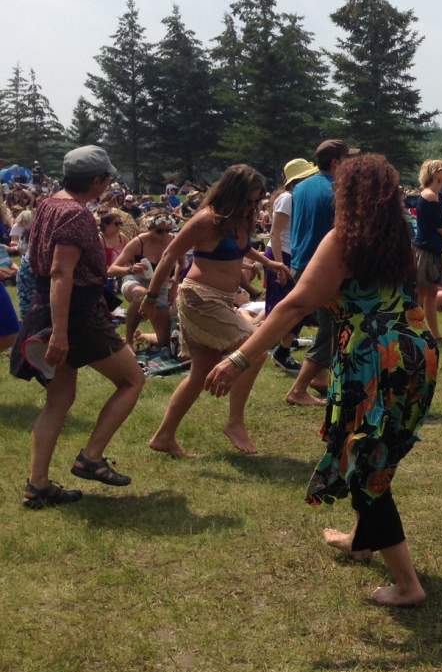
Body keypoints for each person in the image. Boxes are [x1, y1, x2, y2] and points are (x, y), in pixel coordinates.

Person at [205, 154, 436, 607]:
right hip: (414, 352)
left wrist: (239, 357)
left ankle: (407, 584)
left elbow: (294, 306)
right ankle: (362, 539)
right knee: (367, 452)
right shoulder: (396, 238)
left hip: (373, 358)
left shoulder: (344, 240)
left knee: (366, 463)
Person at [13, 146, 146, 509]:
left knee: (58, 399)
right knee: (133, 380)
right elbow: (61, 272)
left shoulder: (48, 204)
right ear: (99, 180)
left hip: (49, 310)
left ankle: (37, 485)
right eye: (107, 179)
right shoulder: (75, 215)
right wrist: (59, 332)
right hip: (76, 315)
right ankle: (91, 458)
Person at [142, 165, 289, 457]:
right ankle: (235, 423)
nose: (252, 206)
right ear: (232, 194)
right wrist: (151, 295)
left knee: (199, 374)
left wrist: (269, 263)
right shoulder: (206, 221)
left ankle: (163, 437)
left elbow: (242, 248)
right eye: (248, 200)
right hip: (199, 297)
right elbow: (171, 253)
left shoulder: (241, 220)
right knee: (255, 351)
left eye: (256, 201)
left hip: (222, 300)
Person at [286, 139, 355, 407]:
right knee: (332, 329)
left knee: (329, 325)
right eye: (348, 159)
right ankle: (298, 389)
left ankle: (322, 379)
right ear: (336, 162)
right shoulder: (338, 190)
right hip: (323, 268)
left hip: (300, 262)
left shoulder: (302, 186)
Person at [266, 158, 319, 374]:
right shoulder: (287, 199)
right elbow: (275, 232)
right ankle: (276, 349)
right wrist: (279, 264)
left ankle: (282, 345)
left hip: (291, 254)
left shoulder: (298, 197)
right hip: (281, 254)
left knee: (293, 307)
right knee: (286, 307)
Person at [107, 213, 176, 349]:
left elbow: (181, 263)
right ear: (149, 228)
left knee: (164, 342)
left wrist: (174, 285)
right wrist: (131, 269)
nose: (164, 235)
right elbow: (111, 269)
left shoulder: (172, 240)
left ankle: (142, 336)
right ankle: (128, 341)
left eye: (168, 230)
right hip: (135, 281)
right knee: (143, 294)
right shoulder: (139, 242)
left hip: (160, 287)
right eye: (159, 231)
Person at [414, 158, 442, 342]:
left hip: (433, 250)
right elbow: (440, 227)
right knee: (421, 293)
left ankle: (434, 333)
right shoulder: (430, 195)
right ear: (436, 173)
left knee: (430, 294)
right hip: (426, 251)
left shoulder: (437, 195)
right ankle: (415, 330)